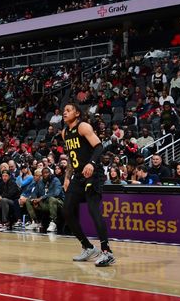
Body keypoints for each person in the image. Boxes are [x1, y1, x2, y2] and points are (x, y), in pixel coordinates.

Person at [60, 103, 115, 266]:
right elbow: (71, 157)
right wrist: (67, 176)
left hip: (93, 173)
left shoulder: (83, 126)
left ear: (77, 114)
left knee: (93, 209)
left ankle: (107, 252)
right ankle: (88, 246)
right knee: (67, 210)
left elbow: (99, 146)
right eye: (64, 110)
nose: (65, 112)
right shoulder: (64, 133)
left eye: (68, 110)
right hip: (78, 176)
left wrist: (91, 163)